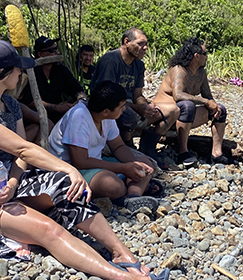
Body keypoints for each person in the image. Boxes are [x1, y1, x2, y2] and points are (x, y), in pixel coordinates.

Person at [0, 40, 169, 280]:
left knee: (69, 190)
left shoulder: (11, 105)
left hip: (9, 178)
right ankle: (124, 279)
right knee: (50, 229)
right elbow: (22, 149)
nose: (21, 74)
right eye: (18, 69)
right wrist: (68, 168)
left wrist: (15, 183)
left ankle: (123, 254)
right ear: (4, 74)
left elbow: (19, 158)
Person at [48, 81, 163, 213]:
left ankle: (133, 197)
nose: (124, 109)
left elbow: (118, 146)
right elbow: (80, 162)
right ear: (106, 111)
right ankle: (130, 191)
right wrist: (124, 168)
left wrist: (134, 164)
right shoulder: (79, 117)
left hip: (95, 163)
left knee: (145, 163)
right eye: (121, 106)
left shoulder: (107, 118)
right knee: (112, 185)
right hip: (71, 169)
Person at [90, 28, 177, 166]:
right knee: (128, 115)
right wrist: (137, 108)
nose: (145, 48)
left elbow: (137, 94)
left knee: (173, 111)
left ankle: (148, 147)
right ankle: (127, 144)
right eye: (141, 44)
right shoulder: (111, 61)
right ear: (127, 42)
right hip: (111, 107)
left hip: (130, 105)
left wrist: (145, 106)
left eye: (146, 44)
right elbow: (106, 97)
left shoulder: (139, 65)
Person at [152, 37, 233, 168]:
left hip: (184, 116)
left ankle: (217, 153)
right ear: (196, 56)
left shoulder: (201, 72)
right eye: (205, 54)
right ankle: (182, 152)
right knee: (187, 105)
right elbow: (178, 95)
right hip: (165, 116)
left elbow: (207, 95)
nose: (207, 57)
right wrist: (206, 102)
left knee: (221, 109)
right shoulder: (179, 70)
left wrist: (214, 106)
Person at [19, 36, 87, 123]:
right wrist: (56, 108)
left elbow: (76, 89)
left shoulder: (60, 69)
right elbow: (28, 100)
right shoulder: (30, 72)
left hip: (58, 116)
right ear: (41, 54)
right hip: (35, 116)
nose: (57, 52)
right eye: (52, 51)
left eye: (56, 49)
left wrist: (81, 101)